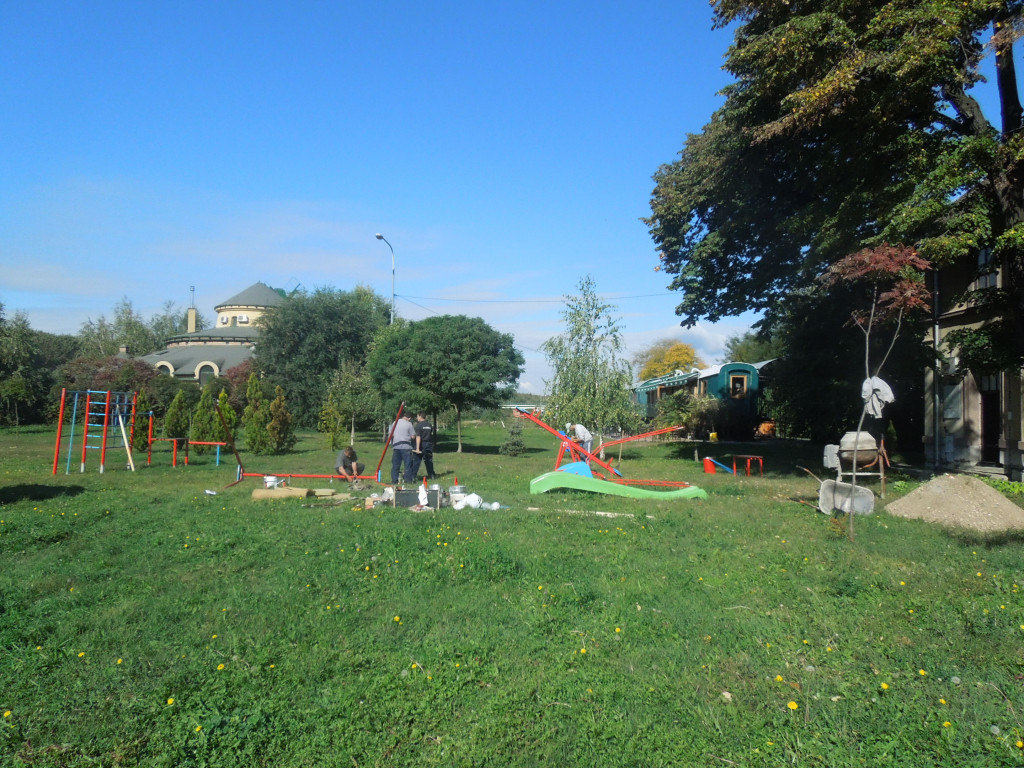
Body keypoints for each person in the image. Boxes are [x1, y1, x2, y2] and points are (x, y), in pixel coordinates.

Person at [390, 413, 416, 485]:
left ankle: (394, 480)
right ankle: (408, 480)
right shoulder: (409, 424)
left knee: (395, 464)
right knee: (408, 464)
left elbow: (392, 434)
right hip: (406, 447)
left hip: (396, 446)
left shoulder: (395, 422)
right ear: (409, 418)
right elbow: (413, 436)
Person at [411, 412, 436, 479]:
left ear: (420, 416)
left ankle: (413, 476)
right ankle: (432, 475)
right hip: (428, 444)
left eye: (417, 416)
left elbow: (418, 437)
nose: (417, 418)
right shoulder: (429, 425)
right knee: (428, 460)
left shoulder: (418, 425)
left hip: (421, 444)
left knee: (416, 461)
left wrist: (417, 448)